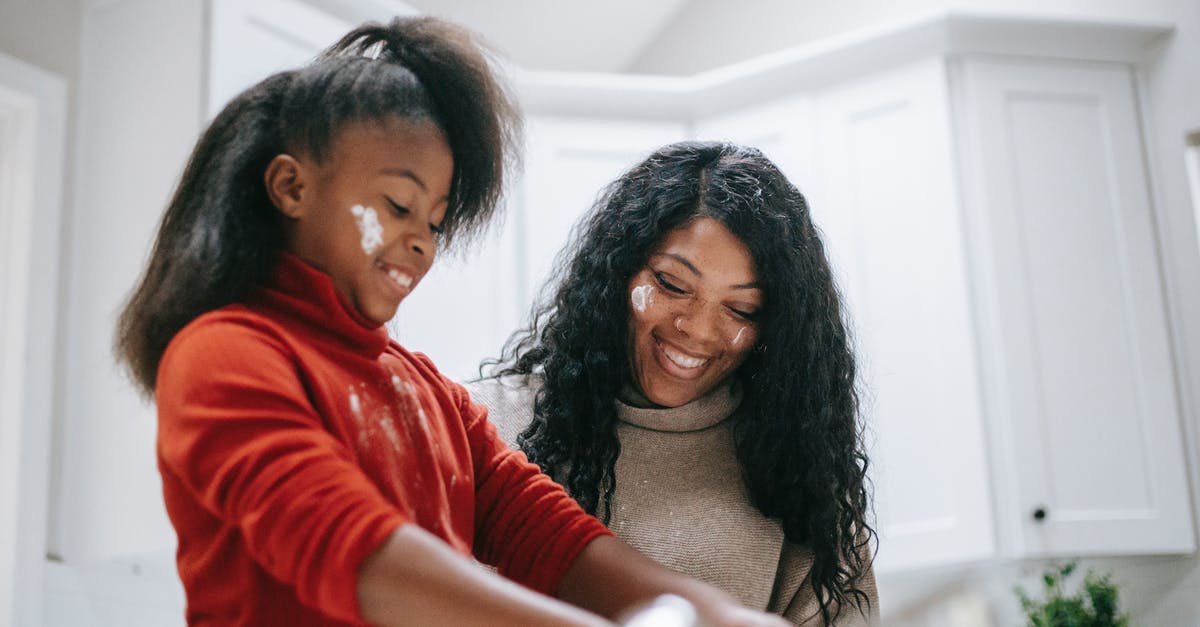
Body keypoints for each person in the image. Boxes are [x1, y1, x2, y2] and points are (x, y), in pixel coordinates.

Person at [114, 18, 790, 627]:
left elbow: (553, 539)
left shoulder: (428, 392)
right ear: (291, 186)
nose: (421, 241)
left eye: (435, 220)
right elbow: (354, 552)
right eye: (398, 204)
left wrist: (722, 616)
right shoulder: (223, 354)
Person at [470, 141, 880, 625]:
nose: (697, 328)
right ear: (618, 270)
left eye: (741, 309)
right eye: (672, 284)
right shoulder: (481, 427)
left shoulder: (798, 472)